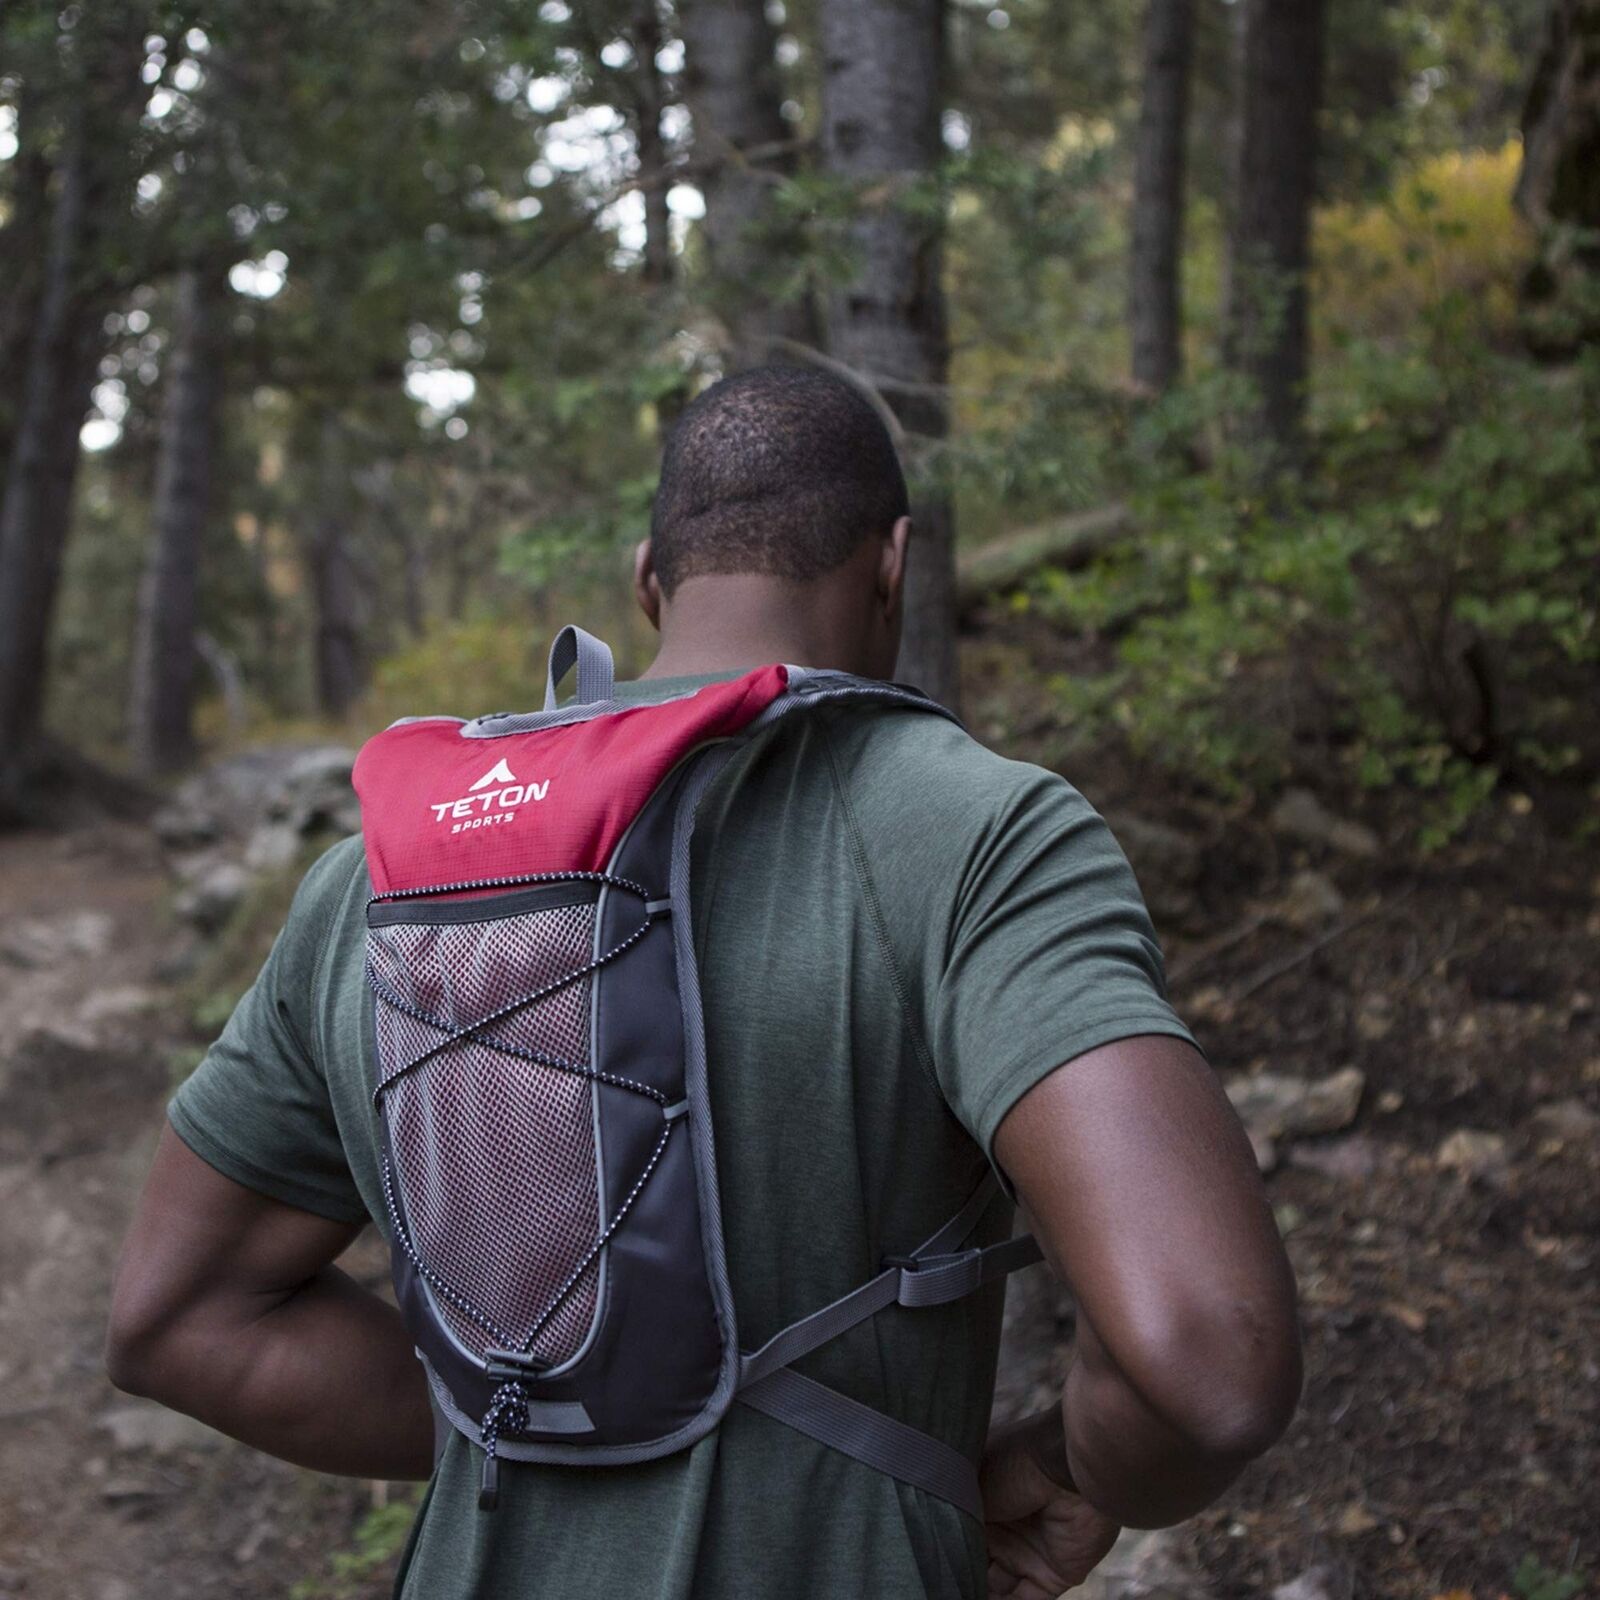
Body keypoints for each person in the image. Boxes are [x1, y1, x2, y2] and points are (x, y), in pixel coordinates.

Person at [107, 365, 1301, 1600]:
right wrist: (1068, 1468)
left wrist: (536, 1407)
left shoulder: (381, 878)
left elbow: (173, 1319)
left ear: (646, 578)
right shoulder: (972, 833)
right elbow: (1203, 1361)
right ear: (893, 564)